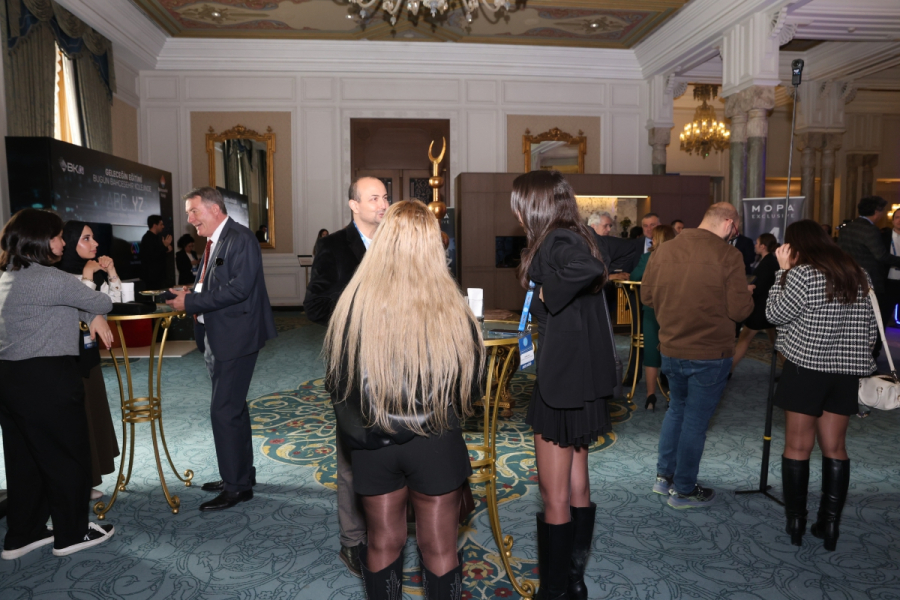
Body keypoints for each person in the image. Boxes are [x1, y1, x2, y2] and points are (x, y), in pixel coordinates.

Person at [325, 200, 482, 599]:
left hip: (372, 440)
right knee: (440, 549)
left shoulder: (353, 303)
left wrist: (366, 434)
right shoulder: (453, 307)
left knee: (381, 543)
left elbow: (338, 383)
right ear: (432, 245)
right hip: (435, 440)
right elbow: (472, 388)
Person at [511, 170, 617, 600]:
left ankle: (554, 592)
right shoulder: (578, 234)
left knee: (553, 494)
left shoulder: (556, 240)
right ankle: (573, 581)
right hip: (583, 381)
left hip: (562, 382)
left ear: (534, 206)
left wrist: (547, 294)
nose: (516, 213)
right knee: (577, 485)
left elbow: (586, 269)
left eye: (519, 205)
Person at [0, 208, 115, 559]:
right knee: (67, 456)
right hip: (48, 377)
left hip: (9, 380)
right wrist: (94, 311)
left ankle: (23, 534)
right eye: (59, 236)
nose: (63, 243)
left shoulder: (7, 275)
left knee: (24, 460)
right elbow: (102, 301)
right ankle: (71, 533)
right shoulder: (51, 278)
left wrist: (87, 313)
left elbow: (64, 306)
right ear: (41, 240)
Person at [766, 220, 876, 552]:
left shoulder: (801, 274)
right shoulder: (858, 273)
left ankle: (796, 521)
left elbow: (774, 314)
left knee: (798, 447)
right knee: (836, 447)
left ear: (795, 246)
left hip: (806, 369)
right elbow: (871, 328)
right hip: (846, 372)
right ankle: (830, 525)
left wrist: (781, 272)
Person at [166, 187, 277, 512]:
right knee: (233, 409)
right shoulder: (215, 241)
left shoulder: (240, 238)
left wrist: (191, 302)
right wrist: (189, 292)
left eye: (194, 211)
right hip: (218, 336)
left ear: (214, 209)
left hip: (236, 337)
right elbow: (214, 284)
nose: (190, 219)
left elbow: (240, 289)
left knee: (224, 411)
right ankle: (240, 474)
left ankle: (236, 487)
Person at [641, 203, 753, 508]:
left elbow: (647, 296)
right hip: (710, 351)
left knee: (676, 410)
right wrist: (746, 294)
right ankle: (684, 489)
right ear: (729, 224)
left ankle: (664, 478)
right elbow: (740, 311)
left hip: (671, 347)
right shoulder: (729, 255)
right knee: (695, 420)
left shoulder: (663, 250)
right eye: (736, 229)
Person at [304, 176, 389, 577]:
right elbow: (315, 306)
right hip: (353, 367)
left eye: (385, 197)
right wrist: (363, 303)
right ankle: (352, 541)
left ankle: (387, 527)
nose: (382, 204)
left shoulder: (395, 243)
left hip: (395, 364)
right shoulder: (334, 246)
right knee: (352, 455)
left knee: (393, 450)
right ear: (353, 205)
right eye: (373, 198)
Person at [56, 221, 122, 501]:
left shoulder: (91, 272)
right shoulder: (58, 276)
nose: (94, 244)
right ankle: (77, 484)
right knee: (75, 422)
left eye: (93, 238)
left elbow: (111, 305)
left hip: (89, 356)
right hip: (67, 359)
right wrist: (86, 276)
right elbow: (78, 311)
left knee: (91, 418)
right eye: (86, 239)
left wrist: (111, 272)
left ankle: (88, 480)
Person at [629, 224, 676, 411]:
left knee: (650, 353)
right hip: (674, 310)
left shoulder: (649, 258)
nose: (651, 241)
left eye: (654, 238)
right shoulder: (680, 258)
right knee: (673, 351)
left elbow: (635, 276)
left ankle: (651, 396)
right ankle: (673, 394)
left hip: (651, 310)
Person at [838, 196, 900, 330]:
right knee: (871, 322)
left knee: (852, 320)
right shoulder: (871, 230)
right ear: (877, 212)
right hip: (870, 281)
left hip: (849, 279)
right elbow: (881, 256)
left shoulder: (847, 228)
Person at [730, 233, 779, 377]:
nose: (755, 246)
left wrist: (749, 289)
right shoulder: (768, 261)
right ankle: (789, 371)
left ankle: (727, 372)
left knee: (744, 339)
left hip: (761, 308)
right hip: (766, 306)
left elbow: (760, 286)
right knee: (776, 342)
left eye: (757, 243)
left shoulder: (768, 263)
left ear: (763, 246)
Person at [139, 214, 172, 290]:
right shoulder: (147, 238)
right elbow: (152, 256)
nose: (163, 226)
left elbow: (159, 254)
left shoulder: (157, 238)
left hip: (159, 276)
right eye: (161, 224)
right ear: (154, 225)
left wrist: (166, 249)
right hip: (151, 277)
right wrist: (164, 246)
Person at [882, 209, 900, 329]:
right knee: (884, 316)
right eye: (897, 217)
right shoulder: (883, 238)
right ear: (892, 221)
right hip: (888, 283)